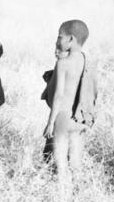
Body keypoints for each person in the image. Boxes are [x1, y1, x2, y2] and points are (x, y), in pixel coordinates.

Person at [42, 20, 98, 185]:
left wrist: (50, 122)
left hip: (63, 118)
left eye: (60, 37)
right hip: (79, 118)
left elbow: (58, 95)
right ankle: (77, 196)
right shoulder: (86, 60)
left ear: (71, 40)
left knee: (60, 165)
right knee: (75, 164)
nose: (57, 41)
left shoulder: (63, 63)